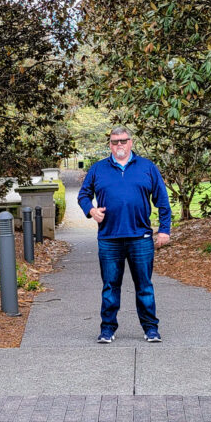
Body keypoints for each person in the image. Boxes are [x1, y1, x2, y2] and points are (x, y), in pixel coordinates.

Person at [77, 126, 172, 344]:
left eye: (123, 141)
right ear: (109, 144)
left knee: (144, 286)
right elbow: (83, 195)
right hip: (109, 239)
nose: (119, 145)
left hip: (141, 238)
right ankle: (107, 329)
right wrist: (91, 210)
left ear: (131, 142)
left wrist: (164, 230)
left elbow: (163, 202)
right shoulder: (98, 169)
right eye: (114, 142)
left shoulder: (147, 167)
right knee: (110, 286)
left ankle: (151, 329)